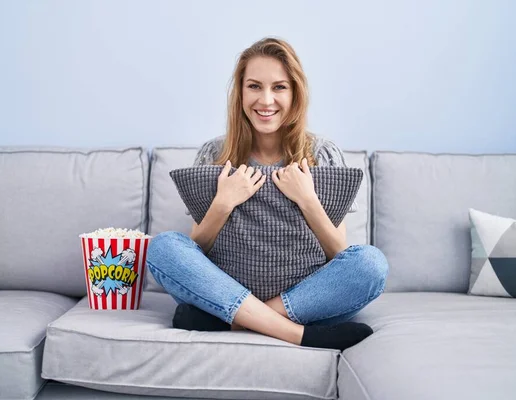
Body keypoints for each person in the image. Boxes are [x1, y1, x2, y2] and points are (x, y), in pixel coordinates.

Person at [147, 37, 388, 351]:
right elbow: (197, 249)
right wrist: (224, 202)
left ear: (295, 93)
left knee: (371, 264)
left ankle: (238, 321)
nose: (265, 100)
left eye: (279, 87)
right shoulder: (214, 153)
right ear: (240, 92)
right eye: (254, 86)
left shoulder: (323, 154)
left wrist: (307, 199)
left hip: (303, 301)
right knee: (164, 247)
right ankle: (296, 335)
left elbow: (339, 253)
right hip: (228, 290)